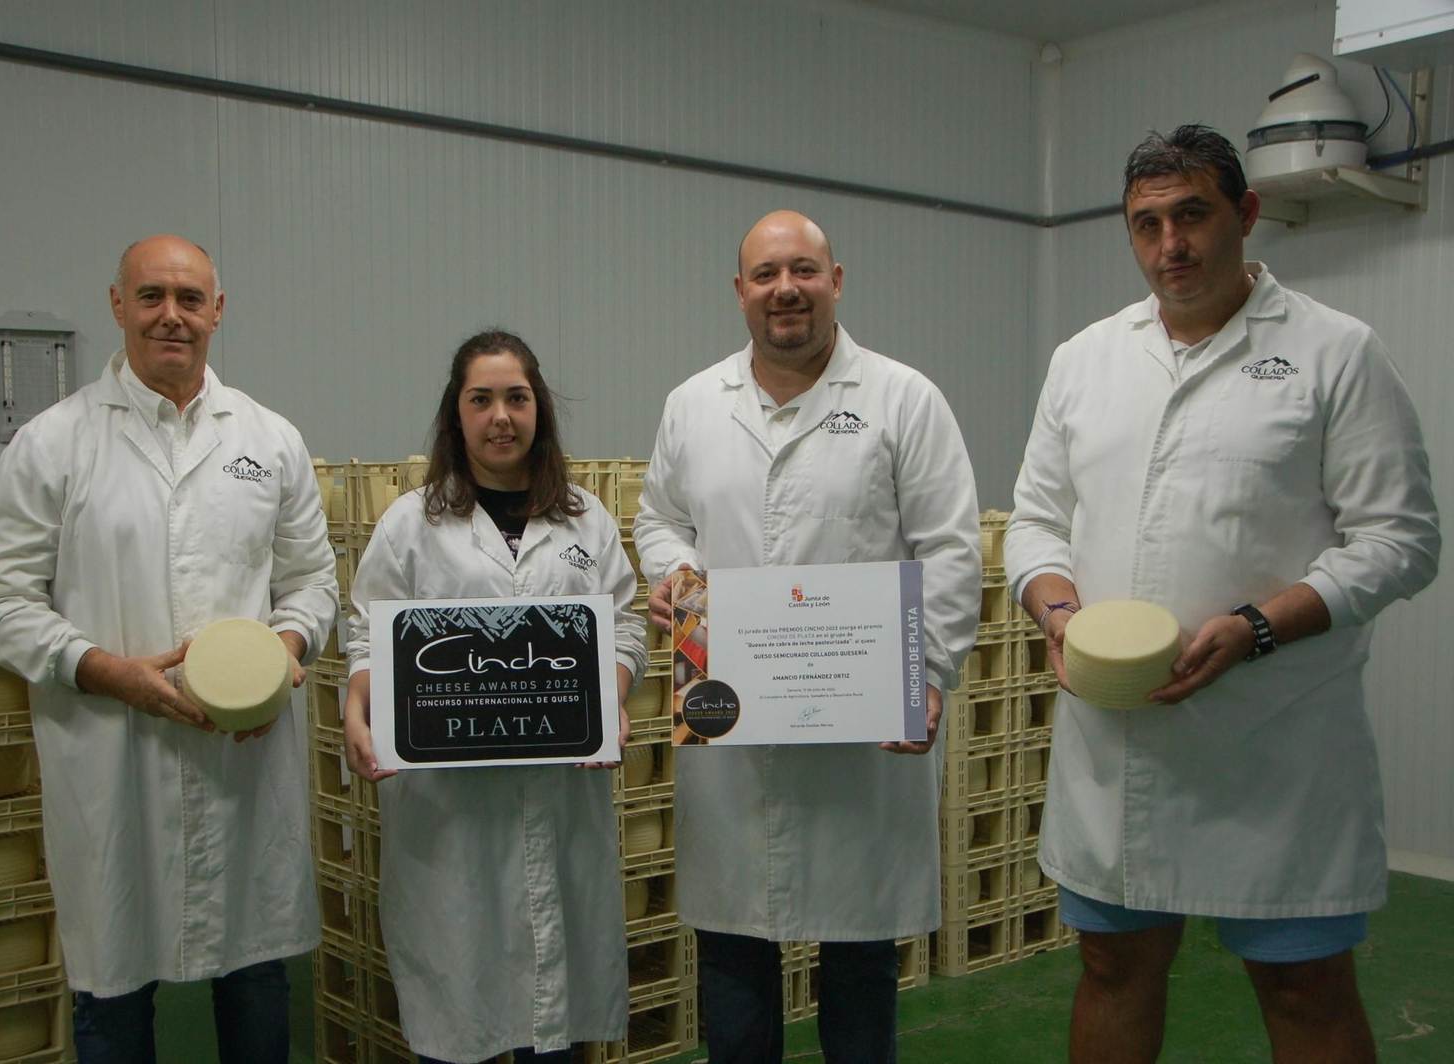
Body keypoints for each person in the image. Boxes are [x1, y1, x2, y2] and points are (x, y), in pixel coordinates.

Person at [1005, 125, 1440, 1064]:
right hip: (1117, 741)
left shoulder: (1336, 354)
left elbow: (1402, 539)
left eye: (1193, 215)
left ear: (1245, 214)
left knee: (1302, 983)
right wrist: (1056, 611)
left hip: (1277, 741)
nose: (1173, 245)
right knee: (1115, 967)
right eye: (1147, 224)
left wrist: (1256, 626)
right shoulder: (1085, 361)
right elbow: (1034, 521)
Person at [0, 235, 337, 1064]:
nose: (172, 315)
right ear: (117, 306)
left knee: (255, 978)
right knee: (113, 985)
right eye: (151, 297)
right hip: (110, 758)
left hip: (244, 758)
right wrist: (107, 671)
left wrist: (281, 658)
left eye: (189, 299)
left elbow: (313, 582)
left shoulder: (270, 440)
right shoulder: (54, 444)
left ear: (217, 311)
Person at [633, 211, 982, 1062]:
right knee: (732, 957)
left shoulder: (904, 399)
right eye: (764, 274)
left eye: (802, 271)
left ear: (836, 280)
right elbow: (659, 520)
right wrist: (679, 585)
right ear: (740, 291)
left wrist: (927, 676)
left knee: (860, 964)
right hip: (732, 724)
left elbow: (949, 545)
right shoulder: (693, 405)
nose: (784, 289)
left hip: (861, 739)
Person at [341, 329, 647, 1063]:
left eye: (517, 398)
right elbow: (367, 634)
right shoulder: (411, 524)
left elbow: (626, 624)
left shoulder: (584, 519)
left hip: (562, 792)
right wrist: (358, 708)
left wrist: (609, 701)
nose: (500, 416)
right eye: (481, 400)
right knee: (460, 1007)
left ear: (539, 408)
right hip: (450, 813)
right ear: (457, 414)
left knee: (555, 1021)